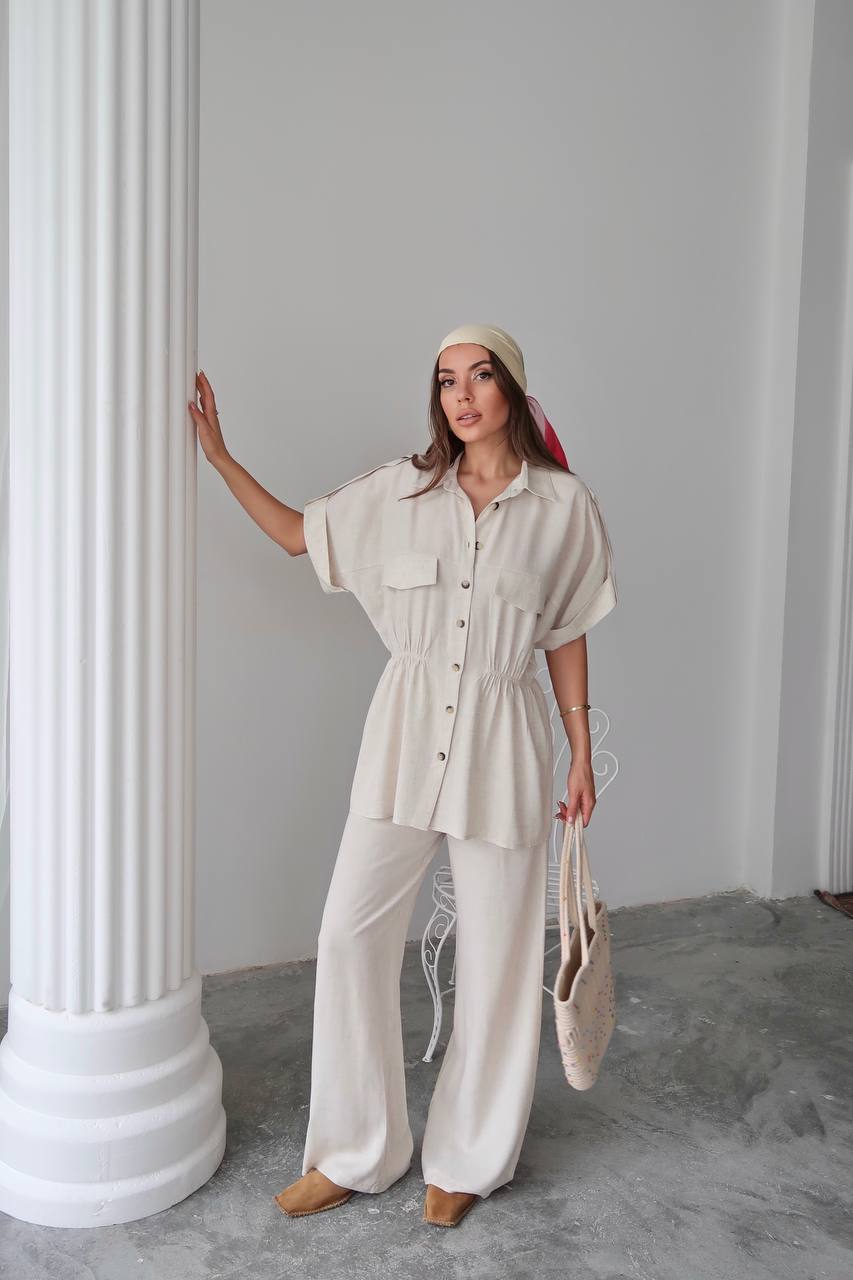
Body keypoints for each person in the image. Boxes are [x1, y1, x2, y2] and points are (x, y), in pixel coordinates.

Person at [188, 323, 618, 1228]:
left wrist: (581, 749)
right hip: (404, 738)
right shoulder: (400, 490)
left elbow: (567, 629)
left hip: (504, 742)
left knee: (498, 957)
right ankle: (356, 1150)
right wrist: (221, 458)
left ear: (511, 390)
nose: (461, 395)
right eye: (446, 379)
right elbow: (298, 535)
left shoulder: (563, 506)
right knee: (350, 933)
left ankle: (468, 1159)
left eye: (480, 376)